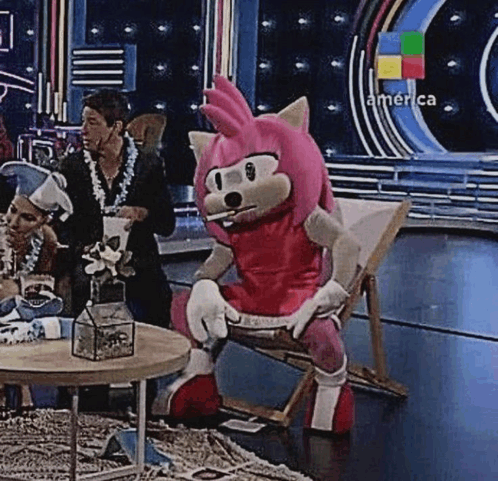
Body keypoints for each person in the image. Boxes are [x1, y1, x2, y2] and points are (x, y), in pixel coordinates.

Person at [57, 88, 176, 328]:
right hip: (89, 269)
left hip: (140, 268)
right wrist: (82, 248)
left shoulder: (148, 166)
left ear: (116, 126)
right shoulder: (73, 167)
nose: (83, 130)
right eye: (83, 122)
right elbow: (63, 224)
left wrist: (141, 213)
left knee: (155, 308)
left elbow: (167, 224)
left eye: (92, 123)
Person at [0, 161, 73, 411]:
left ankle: (26, 391)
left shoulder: (47, 242)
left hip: (24, 316)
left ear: (43, 221)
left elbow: (44, 286)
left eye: (27, 218)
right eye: (12, 210)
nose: (14, 222)